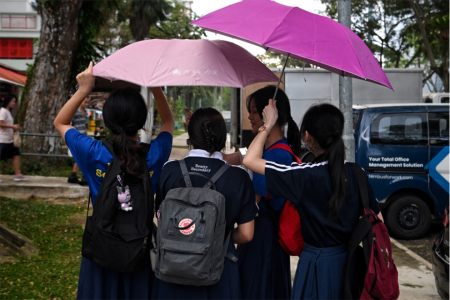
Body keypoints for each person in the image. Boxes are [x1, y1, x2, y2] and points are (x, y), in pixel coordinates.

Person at [53, 62, 174, 299]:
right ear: (141, 121)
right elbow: (168, 123)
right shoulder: (154, 154)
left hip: (102, 249)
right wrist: (156, 88)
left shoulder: (93, 152)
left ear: (107, 120)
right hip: (140, 248)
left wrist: (84, 89)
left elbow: (61, 122)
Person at [243, 101, 383, 300]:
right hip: (350, 265)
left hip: (316, 265)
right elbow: (378, 221)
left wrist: (268, 123)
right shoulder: (357, 173)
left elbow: (250, 160)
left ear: (307, 136)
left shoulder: (304, 175)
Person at [152, 107, 257, 300]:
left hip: (173, 271)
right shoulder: (239, 177)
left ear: (190, 137)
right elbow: (246, 234)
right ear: (223, 138)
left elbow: (160, 216)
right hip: (219, 273)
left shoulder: (169, 170)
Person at [236, 86, 300, 300]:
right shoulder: (272, 150)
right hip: (264, 232)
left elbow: (251, 202)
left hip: (262, 235)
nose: (249, 117)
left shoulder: (275, 156)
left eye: (255, 111)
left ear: (269, 115)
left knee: (256, 289)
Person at [0, 93, 27, 182]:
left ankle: (17, 174)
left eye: (15, 101)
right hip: (3, 140)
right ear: (8, 101)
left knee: (16, 154)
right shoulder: (3, 111)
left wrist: (14, 127)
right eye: (13, 101)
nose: (14, 103)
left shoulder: (8, 111)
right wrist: (12, 127)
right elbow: (1, 124)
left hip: (9, 140)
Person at [67, 96, 90, 185]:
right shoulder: (75, 111)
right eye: (85, 102)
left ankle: (73, 176)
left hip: (83, 137)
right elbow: (70, 124)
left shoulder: (86, 112)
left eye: (88, 102)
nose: (86, 104)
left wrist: (87, 135)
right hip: (77, 137)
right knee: (82, 157)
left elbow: (84, 125)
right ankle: (84, 177)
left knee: (81, 157)